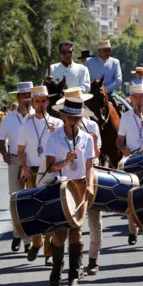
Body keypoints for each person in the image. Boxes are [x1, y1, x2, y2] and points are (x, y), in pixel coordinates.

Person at [46, 98, 95, 286]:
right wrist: (64, 162)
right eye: (70, 117)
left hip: (80, 186)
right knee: (60, 234)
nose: (73, 120)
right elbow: (50, 167)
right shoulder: (54, 138)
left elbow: (90, 166)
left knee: (76, 230)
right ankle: (57, 265)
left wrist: (90, 185)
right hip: (61, 187)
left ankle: (73, 278)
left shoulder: (87, 138)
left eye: (77, 117)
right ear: (63, 116)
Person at [56, 88, 102, 276]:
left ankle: (90, 261)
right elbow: (51, 162)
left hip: (87, 178)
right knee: (65, 230)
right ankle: (65, 264)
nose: (74, 118)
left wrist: (90, 184)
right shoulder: (57, 131)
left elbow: (94, 158)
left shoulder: (92, 127)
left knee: (92, 223)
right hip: (65, 184)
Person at [17, 86, 63, 265]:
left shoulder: (57, 124)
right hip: (33, 170)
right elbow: (21, 150)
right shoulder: (26, 124)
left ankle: (48, 253)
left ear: (48, 102)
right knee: (33, 209)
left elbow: (62, 148)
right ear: (33, 103)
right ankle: (37, 242)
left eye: (43, 101)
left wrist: (55, 135)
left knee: (49, 211)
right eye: (37, 101)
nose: (41, 104)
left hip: (50, 169)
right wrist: (24, 166)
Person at [116, 84, 143, 247]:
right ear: (131, 100)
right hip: (132, 158)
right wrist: (125, 151)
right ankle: (132, 230)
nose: (139, 100)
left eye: (142, 97)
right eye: (136, 97)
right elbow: (119, 140)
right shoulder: (126, 117)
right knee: (130, 194)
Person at [0, 82, 34, 252]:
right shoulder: (9, 118)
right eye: (24, 95)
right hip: (15, 161)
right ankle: (20, 236)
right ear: (18, 97)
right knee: (15, 199)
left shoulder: (39, 116)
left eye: (29, 95)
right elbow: (0, 140)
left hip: (34, 161)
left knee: (34, 199)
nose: (27, 98)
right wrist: (4, 154)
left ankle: (32, 237)